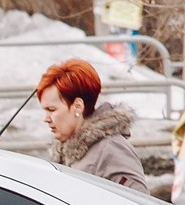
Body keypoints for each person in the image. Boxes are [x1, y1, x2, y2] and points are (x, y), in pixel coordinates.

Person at [37, 59, 146, 191]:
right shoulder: (66, 150)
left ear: (77, 106)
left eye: (52, 110)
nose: (46, 118)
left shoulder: (110, 149)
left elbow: (138, 204)